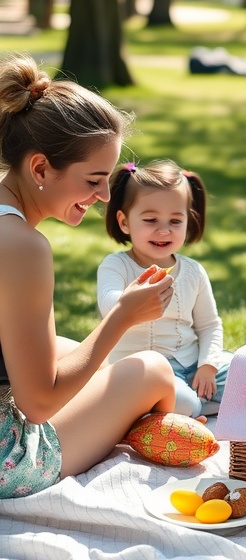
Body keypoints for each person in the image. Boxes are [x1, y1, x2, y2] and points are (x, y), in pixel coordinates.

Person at [0, 54, 178, 499]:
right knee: (152, 370)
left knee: (75, 352)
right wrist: (122, 316)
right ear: (40, 168)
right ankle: (169, 444)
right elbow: (38, 404)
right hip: (8, 457)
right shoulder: (21, 246)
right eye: (94, 179)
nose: (102, 197)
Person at [97, 160, 230, 418]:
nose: (164, 230)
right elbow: (109, 305)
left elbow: (209, 325)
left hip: (191, 366)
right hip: (141, 372)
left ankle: (173, 411)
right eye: (150, 219)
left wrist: (208, 365)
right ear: (124, 222)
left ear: (188, 221)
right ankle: (191, 409)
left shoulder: (193, 272)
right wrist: (137, 295)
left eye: (175, 221)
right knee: (183, 402)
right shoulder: (116, 266)